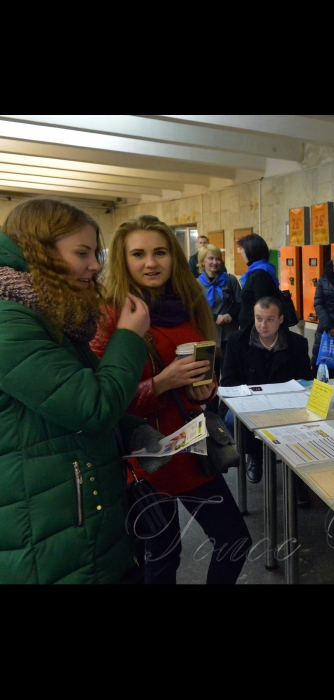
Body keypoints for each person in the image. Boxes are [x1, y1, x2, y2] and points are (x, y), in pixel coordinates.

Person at [92, 214, 251, 585]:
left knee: (234, 540)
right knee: (162, 558)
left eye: (160, 252)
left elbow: (205, 373)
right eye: (139, 254)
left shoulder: (187, 302)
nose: (151, 262)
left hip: (191, 447)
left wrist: (205, 388)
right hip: (145, 458)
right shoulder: (111, 314)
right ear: (122, 259)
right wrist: (161, 384)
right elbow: (103, 400)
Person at [0, 198, 153, 584]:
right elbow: (92, 405)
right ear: (41, 253)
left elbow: (53, 410)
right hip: (51, 537)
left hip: (76, 519)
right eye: (82, 253)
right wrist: (128, 338)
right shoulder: (9, 321)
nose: (95, 265)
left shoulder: (46, 313)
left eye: (95, 253)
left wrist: (130, 429)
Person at [221, 296, 314, 483]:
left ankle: (296, 472)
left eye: (269, 319)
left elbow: (306, 381)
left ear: (280, 320)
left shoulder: (297, 343)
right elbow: (229, 380)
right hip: (248, 400)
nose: (262, 325)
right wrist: (255, 395)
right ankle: (255, 455)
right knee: (231, 419)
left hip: (285, 401)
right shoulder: (236, 341)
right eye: (258, 318)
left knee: (308, 417)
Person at [197, 243, 241, 354]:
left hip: (229, 333)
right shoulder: (195, 284)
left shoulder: (230, 280)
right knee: (210, 369)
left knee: (229, 369)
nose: (214, 262)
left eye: (217, 259)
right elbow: (195, 309)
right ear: (203, 261)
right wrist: (215, 317)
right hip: (207, 334)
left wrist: (230, 315)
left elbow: (240, 303)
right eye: (210, 259)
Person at [237, 232, 282, 329]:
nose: (241, 253)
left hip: (257, 332)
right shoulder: (258, 271)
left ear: (250, 251)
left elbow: (263, 308)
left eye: (243, 249)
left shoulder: (260, 275)